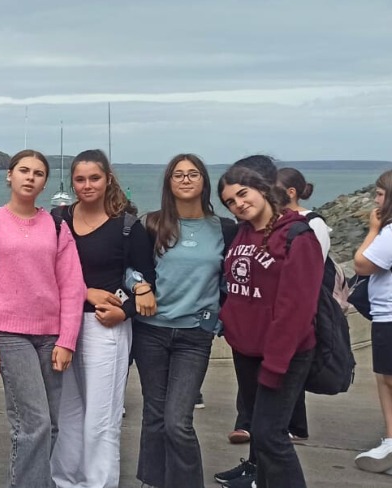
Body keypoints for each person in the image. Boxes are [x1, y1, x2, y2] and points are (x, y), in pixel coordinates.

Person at [0, 149, 84, 488]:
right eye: (23, 170)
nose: (30, 177)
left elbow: (72, 285)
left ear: (45, 183)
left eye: (38, 173)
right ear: (10, 175)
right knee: (35, 423)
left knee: (51, 425)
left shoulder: (57, 226)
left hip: (51, 336)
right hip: (8, 334)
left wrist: (67, 339)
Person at [128, 154, 235, 488]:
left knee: (178, 422)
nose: (186, 179)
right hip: (151, 332)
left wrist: (219, 320)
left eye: (193, 174)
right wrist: (140, 286)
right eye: (178, 174)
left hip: (194, 336)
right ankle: (152, 481)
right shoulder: (151, 224)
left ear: (204, 181)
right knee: (155, 416)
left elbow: (231, 280)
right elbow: (130, 267)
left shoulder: (224, 228)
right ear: (169, 182)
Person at [216, 161, 322, 488]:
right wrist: (230, 322)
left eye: (243, 194)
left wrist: (275, 365)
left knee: (270, 435)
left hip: (284, 354)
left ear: (262, 189)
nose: (238, 204)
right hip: (246, 350)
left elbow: (297, 309)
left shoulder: (297, 235)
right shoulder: (243, 233)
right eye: (230, 201)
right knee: (261, 438)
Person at [50, 149, 150, 488]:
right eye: (80, 179)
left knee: (101, 416)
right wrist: (85, 292)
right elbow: (45, 271)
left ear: (108, 179)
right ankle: (66, 480)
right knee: (67, 412)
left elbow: (146, 280)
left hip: (105, 327)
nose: (87, 185)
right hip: (63, 324)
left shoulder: (127, 226)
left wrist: (125, 311)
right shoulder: (59, 219)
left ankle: (98, 483)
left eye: (95, 178)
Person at [272, 167, 331, 442]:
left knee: (292, 369)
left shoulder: (311, 224)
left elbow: (312, 268)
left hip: (302, 308)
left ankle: (293, 426)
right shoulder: (278, 221)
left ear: (291, 192)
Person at [353, 170, 392, 473]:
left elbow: (362, 264)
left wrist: (373, 230)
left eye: (380, 194)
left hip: (389, 316)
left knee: (387, 380)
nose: (375, 200)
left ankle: (391, 441)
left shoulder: (389, 232)